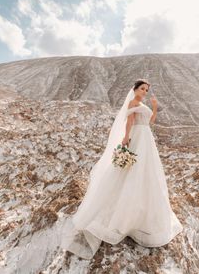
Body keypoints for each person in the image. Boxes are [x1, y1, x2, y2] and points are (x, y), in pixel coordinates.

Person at [61, 79, 183, 259]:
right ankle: (123, 215)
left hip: (146, 138)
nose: (145, 92)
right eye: (142, 88)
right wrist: (126, 139)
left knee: (146, 173)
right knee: (131, 172)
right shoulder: (134, 102)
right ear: (135, 89)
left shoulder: (141, 103)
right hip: (137, 138)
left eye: (147, 90)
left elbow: (150, 122)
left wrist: (155, 107)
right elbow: (129, 122)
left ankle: (140, 213)